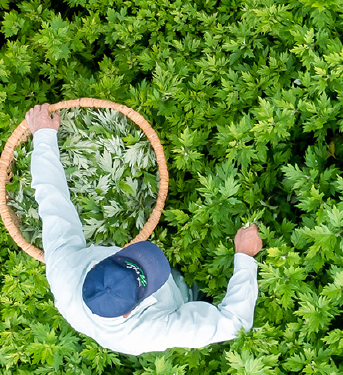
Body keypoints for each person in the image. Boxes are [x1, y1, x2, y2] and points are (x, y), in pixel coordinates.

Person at [25, 104, 263, 356]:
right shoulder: (149, 332)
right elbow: (234, 323)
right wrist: (245, 257)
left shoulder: (65, 269)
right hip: (174, 301)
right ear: (130, 311)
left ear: (94, 267)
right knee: (185, 291)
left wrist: (43, 135)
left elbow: (52, 196)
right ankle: (188, 291)